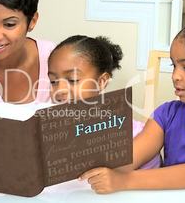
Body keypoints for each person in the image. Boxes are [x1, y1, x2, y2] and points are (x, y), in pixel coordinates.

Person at [79, 18, 185, 198]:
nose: (175, 76)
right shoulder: (167, 113)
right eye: (174, 65)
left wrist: (123, 181)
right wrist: (80, 158)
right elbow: (129, 157)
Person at [48, 35, 160, 169]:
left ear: (101, 82)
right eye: (53, 81)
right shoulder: (51, 128)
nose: (59, 90)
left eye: (73, 79)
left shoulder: (135, 136)